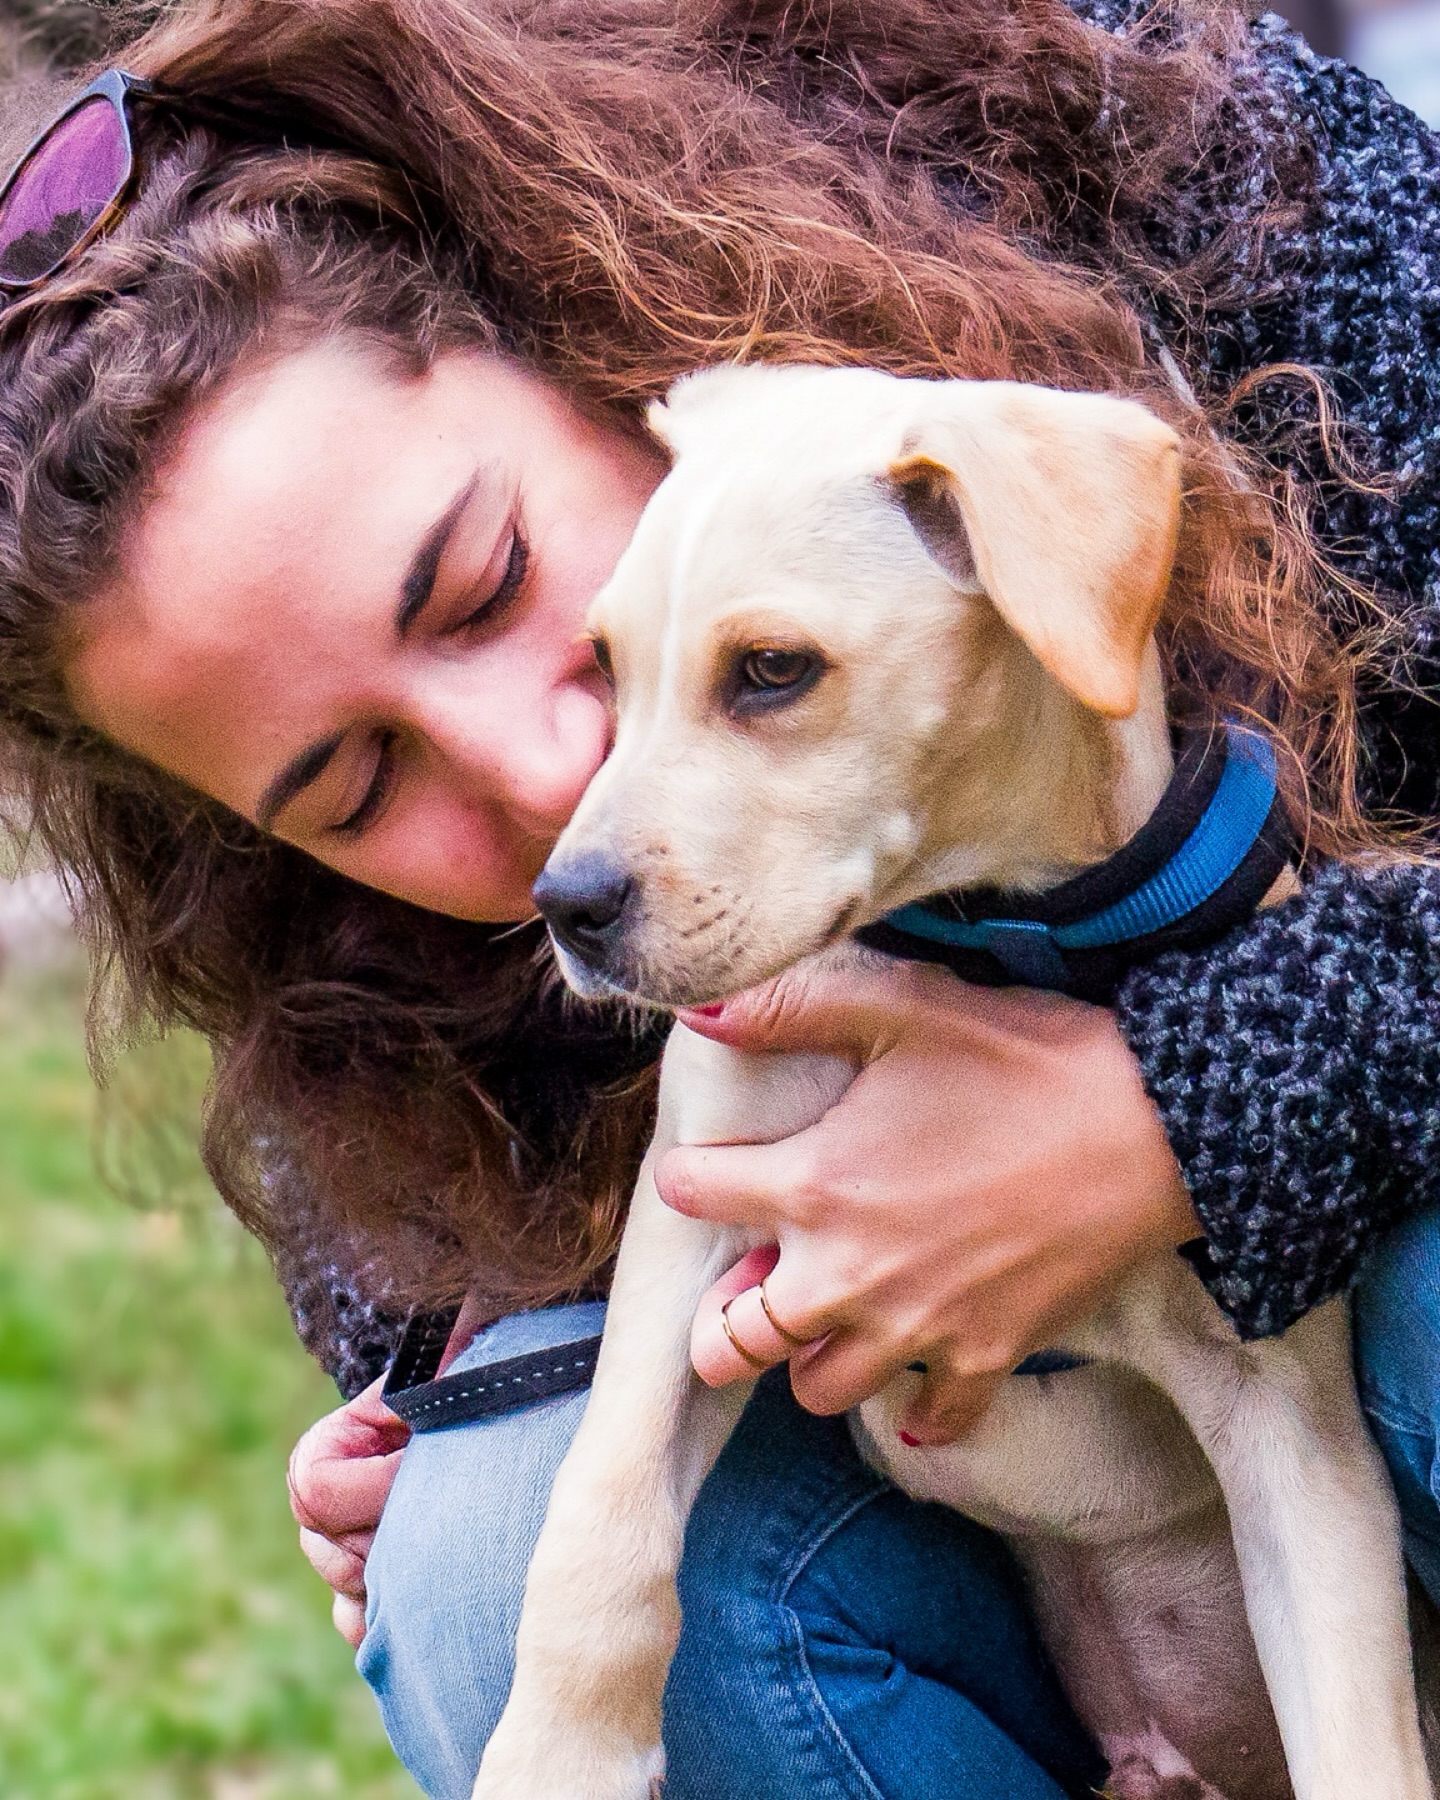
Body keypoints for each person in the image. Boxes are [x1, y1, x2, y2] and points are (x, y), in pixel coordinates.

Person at [2, 1, 1440, 1794]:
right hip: (1043, 1546)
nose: (545, 783)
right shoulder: (384, 960)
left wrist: (1192, 1112)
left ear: (569, 325)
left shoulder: (1237, 198)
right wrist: (424, 1381)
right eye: (358, 788)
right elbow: (473, 1287)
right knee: (481, 1551)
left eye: (487, 582)